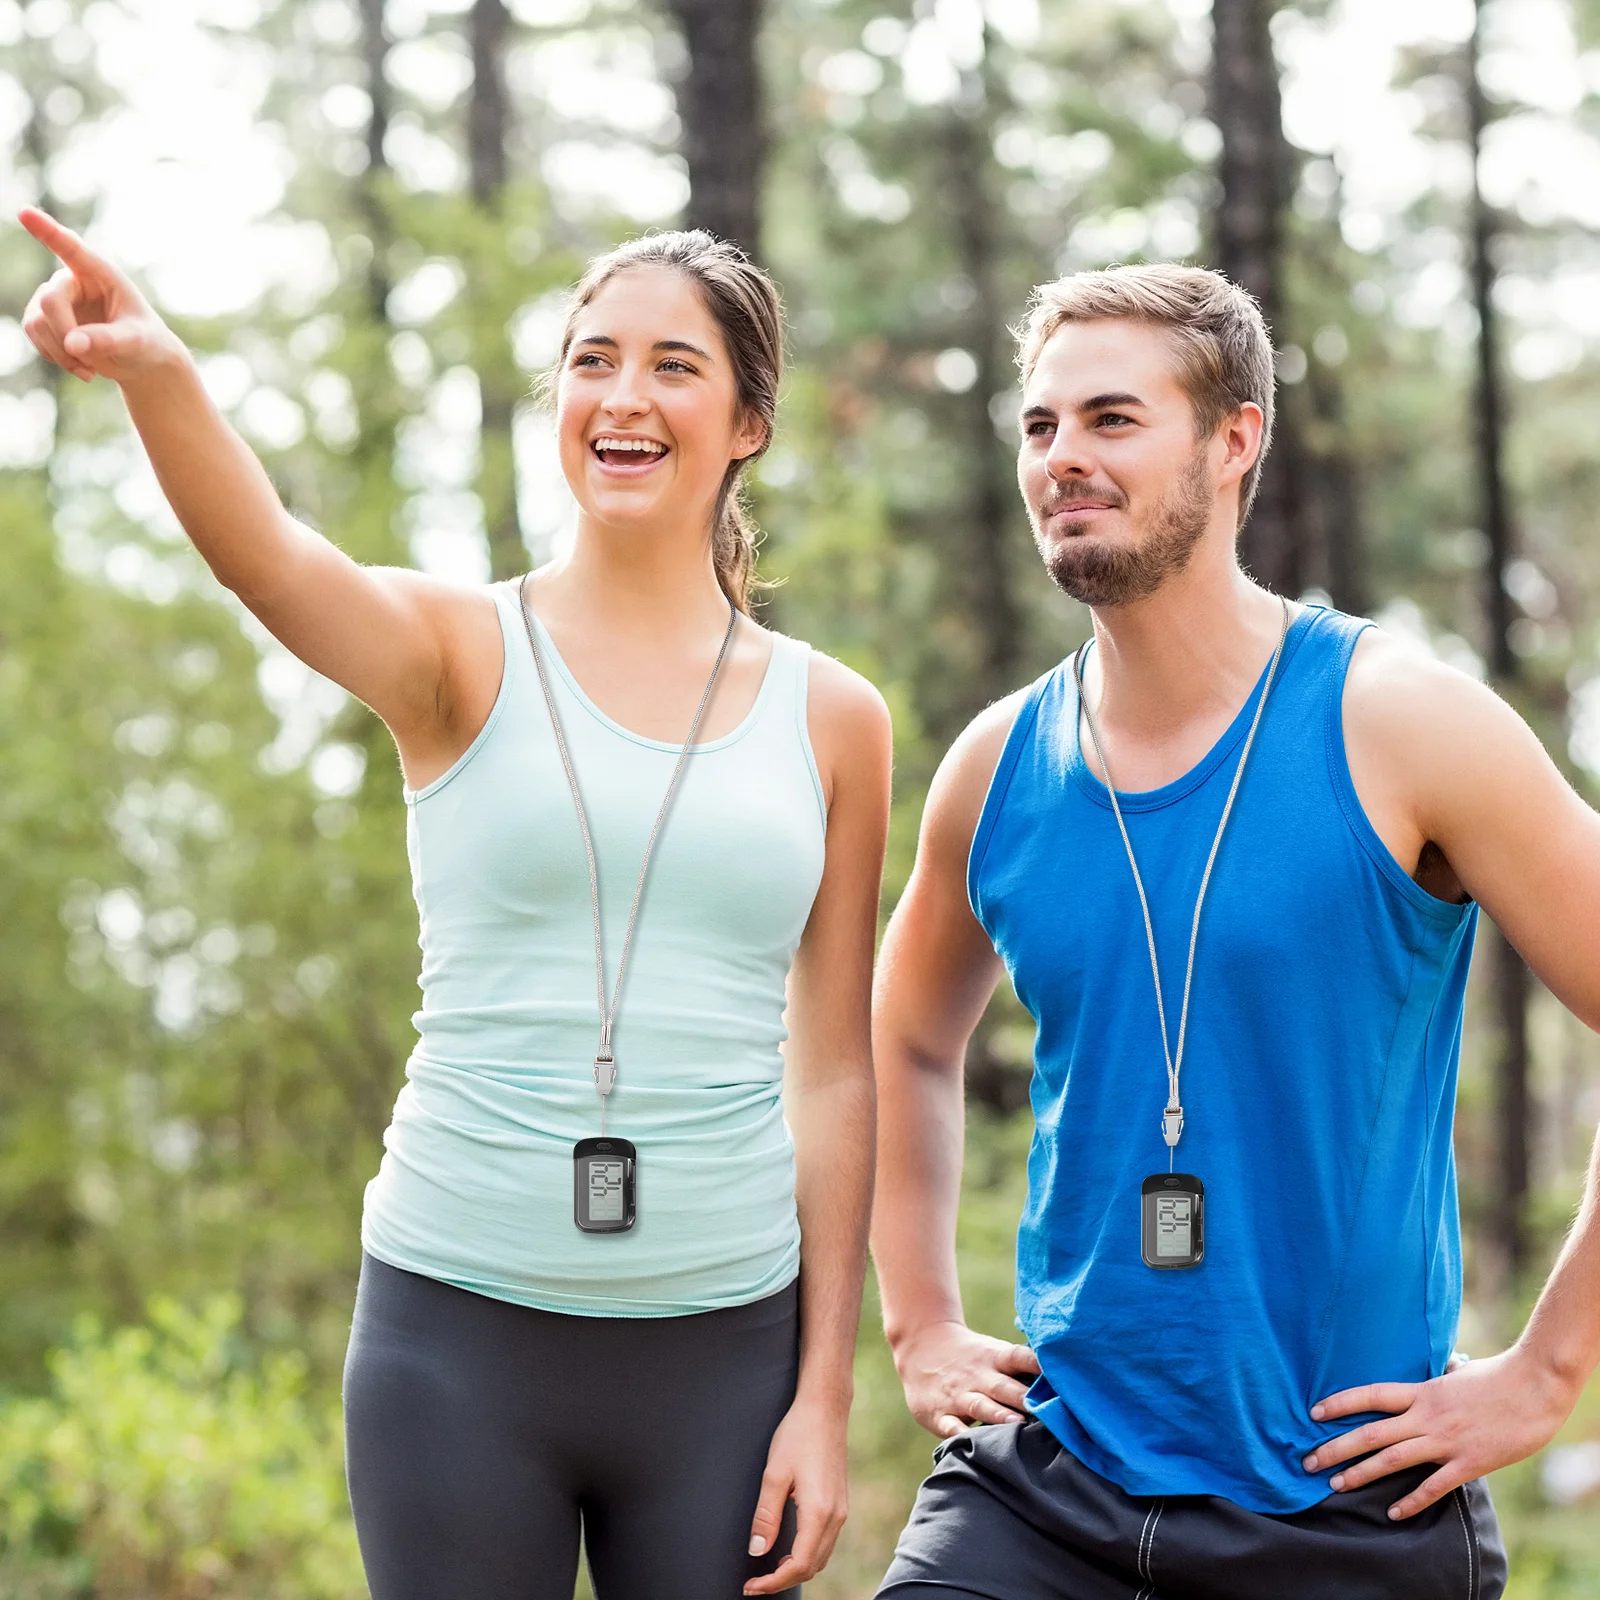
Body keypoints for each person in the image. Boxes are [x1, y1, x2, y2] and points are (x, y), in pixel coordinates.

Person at [19, 211, 891, 1599]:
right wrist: (163, 378)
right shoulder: (456, 651)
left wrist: (824, 1397)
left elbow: (836, 1072)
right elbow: (269, 561)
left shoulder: (835, 719)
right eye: (591, 360)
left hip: (726, 1350)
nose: (622, 396)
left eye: (674, 366)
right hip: (458, 1340)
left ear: (748, 423)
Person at [869, 262, 1600, 1599]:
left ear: (1234, 437)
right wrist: (918, 1323)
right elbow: (906, 1042)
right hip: (1053, 1491)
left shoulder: (1401, 722)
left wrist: (1547, 1372)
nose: (1062, 460)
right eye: (1039, 427)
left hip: (1343, 1508)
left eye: (1110, 419)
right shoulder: (996, 768)